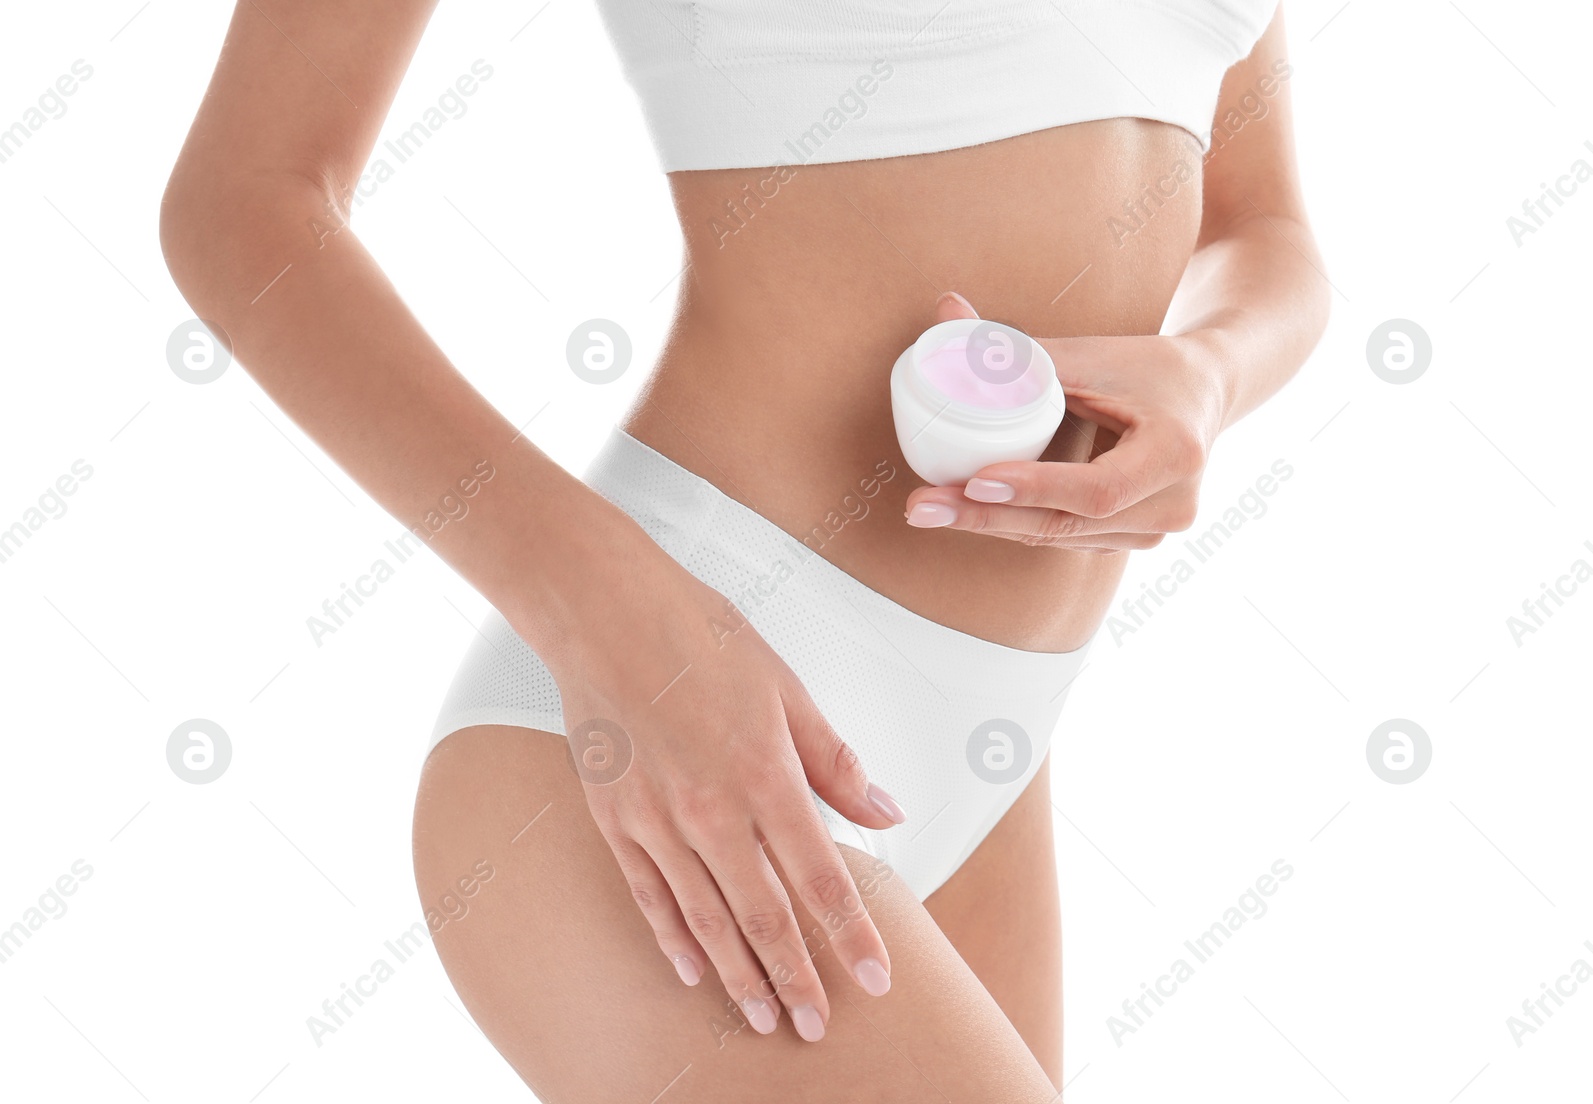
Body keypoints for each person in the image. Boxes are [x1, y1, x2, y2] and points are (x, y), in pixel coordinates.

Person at [161, 1, 1327, 1098]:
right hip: (674, 689)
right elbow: (244, 199)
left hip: (993, 748)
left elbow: (1260, 226)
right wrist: (609, 617)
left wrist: (1212, 373)